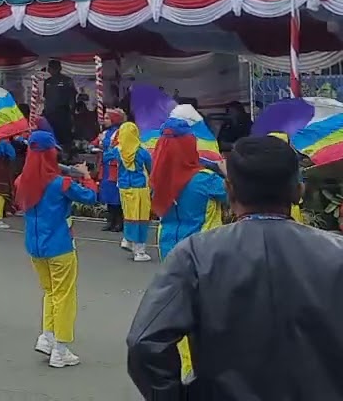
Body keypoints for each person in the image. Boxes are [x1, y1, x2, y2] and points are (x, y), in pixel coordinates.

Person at [127, 135, 343, 398]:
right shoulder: (336, 253)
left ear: (229, 190)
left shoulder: (194, 255)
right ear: (298, 191)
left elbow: (144, 343)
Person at [144, 118, 227, 382]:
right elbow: (234, 194)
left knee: (179, 312)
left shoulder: (157, 178)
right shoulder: (205, 180)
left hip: (169, 248)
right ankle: (199, 372)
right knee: (206, 315)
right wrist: (224, 170)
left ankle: (186, 370)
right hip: (202, 252)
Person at [14, 130, 97, 368]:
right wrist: (86, 176)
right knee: (64, 296)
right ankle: (60, 348)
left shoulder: (22, 180)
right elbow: (91, 197)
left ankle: (47, 336)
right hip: (60, 245)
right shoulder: (61, 183)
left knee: (50, 292)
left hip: (34, 246)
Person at [110, 122, 154, 261]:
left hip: (124, 187)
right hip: (139, 187)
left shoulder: (117, 150)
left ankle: (128, 240)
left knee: (129, 215)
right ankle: (139, 251)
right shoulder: (142, 151)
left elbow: (107, 155)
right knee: (141, 218)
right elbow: (151, 168)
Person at [95, 109, 125, 233]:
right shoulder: (105, 132)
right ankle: (110, 220)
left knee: (116, 196)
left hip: (115, 168)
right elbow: (96, 142)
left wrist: (105, 142)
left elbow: (117, 147)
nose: (104, 120)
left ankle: (119, 222)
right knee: (107, 195)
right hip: (105, 167)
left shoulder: (120, 132)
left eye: (107, 118)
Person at [42, 59, 76, 148]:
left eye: (54, 68)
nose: (51, 70)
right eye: (50, 68)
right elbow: (46, 98)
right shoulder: (47, 82)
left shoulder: (67, 81)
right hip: (49, 113)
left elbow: (72, 98)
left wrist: (72, 114)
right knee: (51, 135)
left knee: (64, 136)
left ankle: (66, 154)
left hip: (63, 113)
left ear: (59, 68)